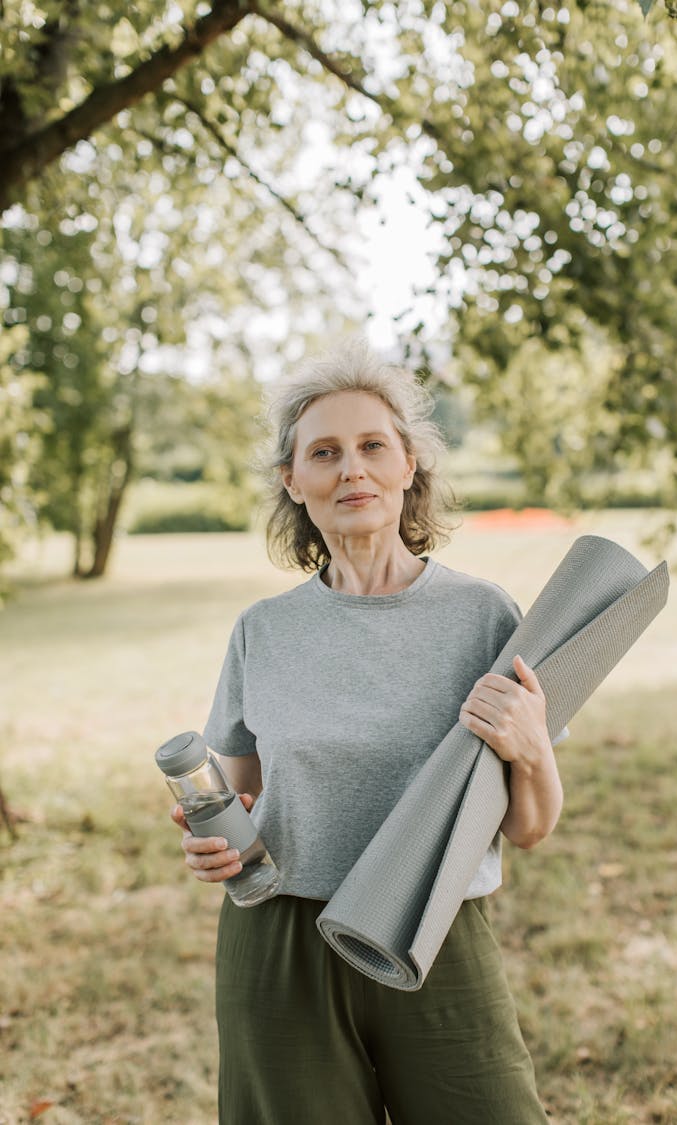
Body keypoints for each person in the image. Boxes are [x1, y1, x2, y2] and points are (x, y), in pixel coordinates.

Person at [171, 339, 564, 1124]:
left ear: (408, 464)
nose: (352, 469)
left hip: (437, 935)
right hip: (283, 944)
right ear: (294, 479)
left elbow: (529, 825)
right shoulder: (263, 632)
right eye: (325, 452)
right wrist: (210, 839)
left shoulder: (485, 617)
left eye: (372, 446)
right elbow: (236, 799)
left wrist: (532, 747)